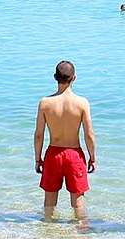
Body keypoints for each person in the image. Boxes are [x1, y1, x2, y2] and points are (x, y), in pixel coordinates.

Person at [34, 61, 96, 220]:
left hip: (53, 154)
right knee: (78, 201)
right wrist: (92, 157)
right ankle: (82, 231)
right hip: (74, 155)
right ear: (74, 78)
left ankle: (47, 230)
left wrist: (38, 158)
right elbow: (89, 134)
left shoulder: (45, 103)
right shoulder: (82, 103)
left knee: (49, 200)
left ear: (55, 77)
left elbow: (39, 135)